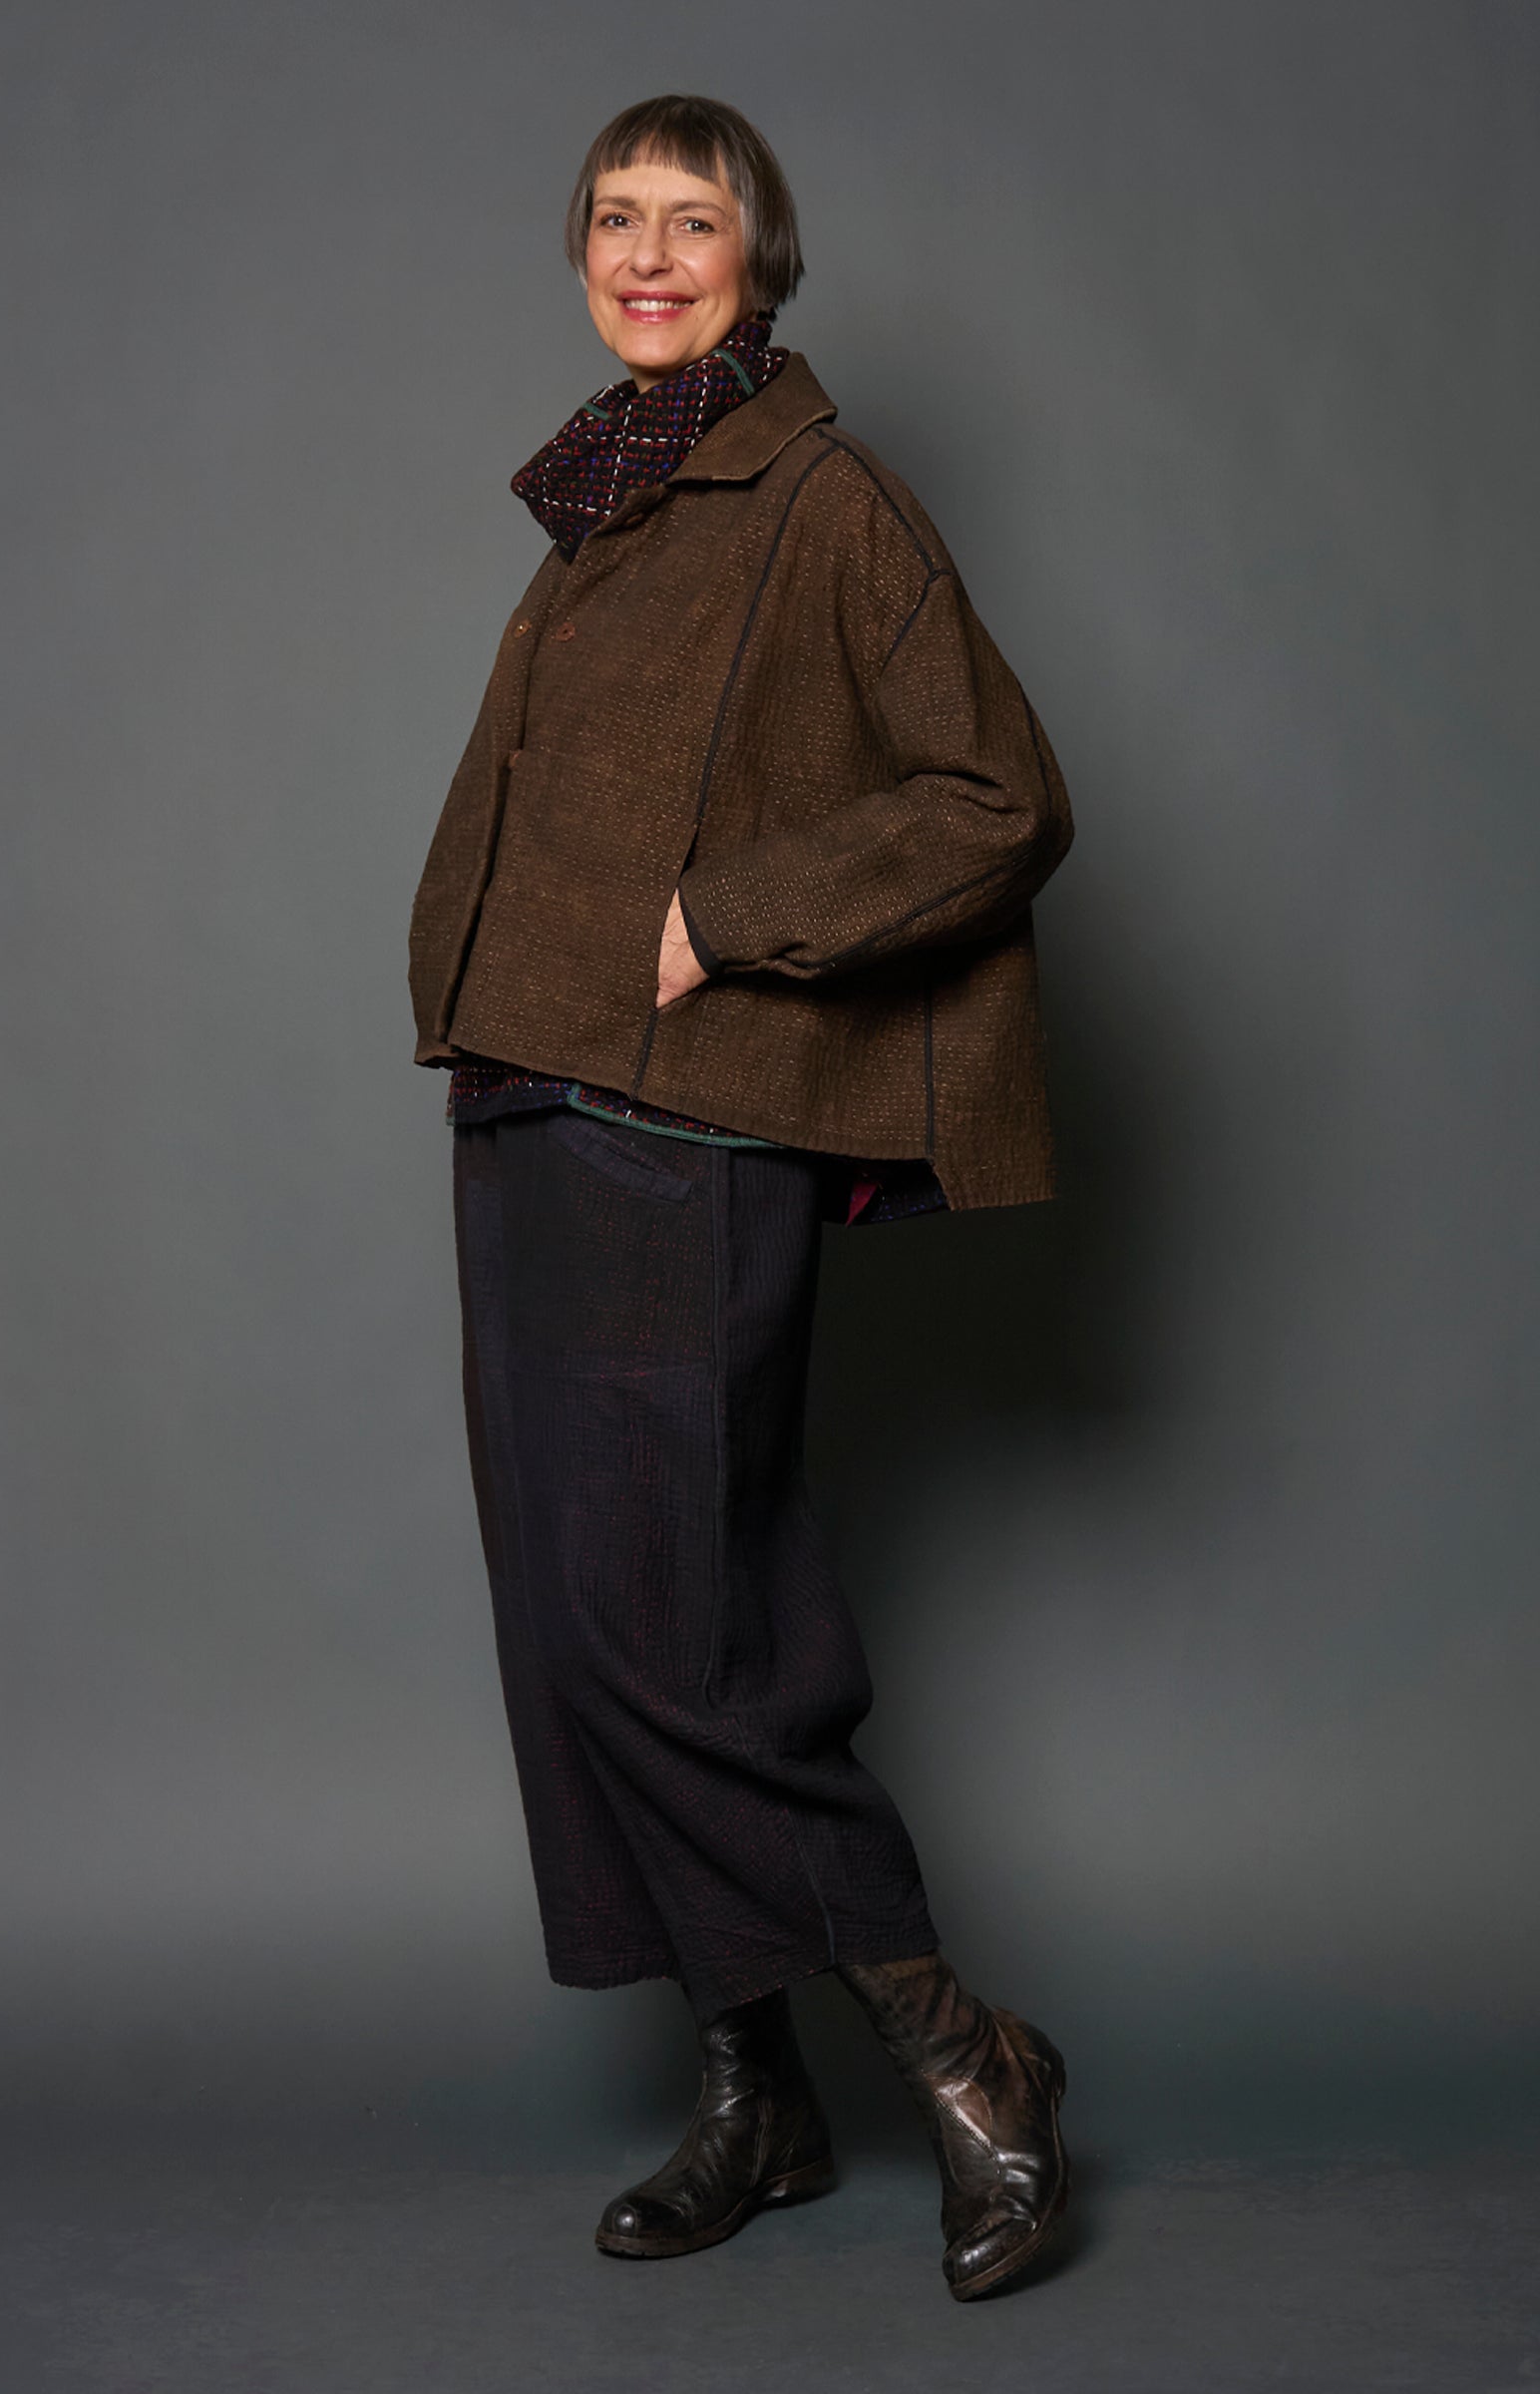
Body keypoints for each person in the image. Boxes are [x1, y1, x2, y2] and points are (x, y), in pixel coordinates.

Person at [407, 93, 1075, 2301]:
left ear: (757, 260)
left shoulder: (820, 494)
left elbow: (995, 793)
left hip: (681, 1119)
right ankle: (753, 2087)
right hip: (532, 1098)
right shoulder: (615, 487)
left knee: (668, 1637)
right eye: (616, 216)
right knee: (593, 1630)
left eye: (691, 221)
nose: (647, 253)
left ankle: (959, 2050)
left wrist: (730, 920)